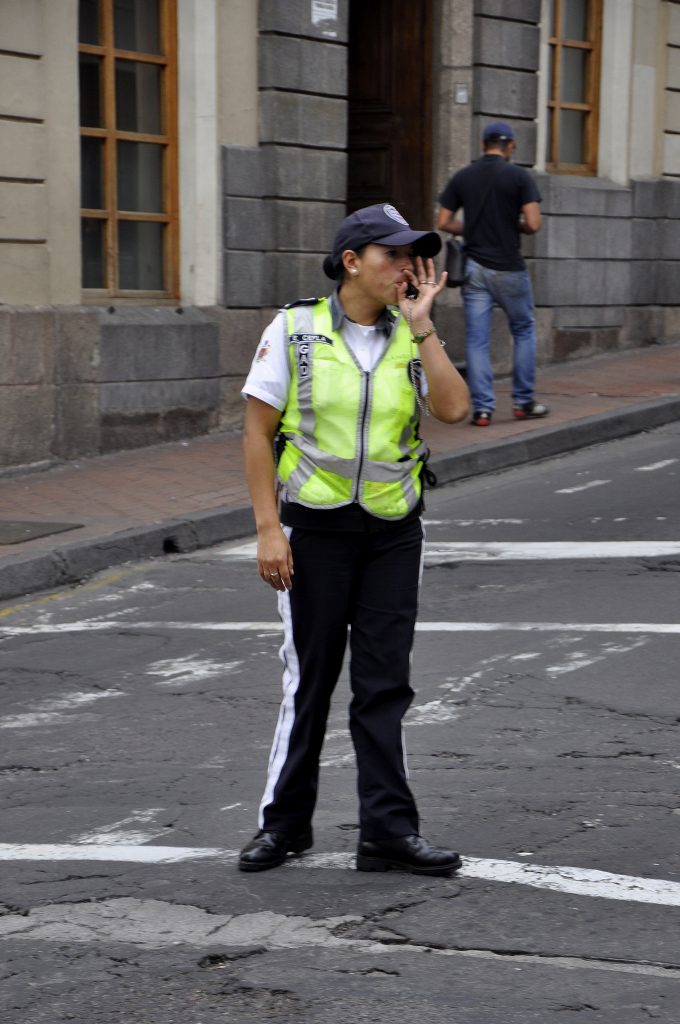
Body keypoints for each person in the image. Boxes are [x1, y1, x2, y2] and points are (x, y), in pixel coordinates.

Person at [238, 203, 470, 876]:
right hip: (313, 529)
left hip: (393, 529)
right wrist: (266, 531)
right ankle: (283, 827)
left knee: (383, 684)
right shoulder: (295, 329)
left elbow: (455, 409)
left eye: (412, 258)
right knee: (309, 680)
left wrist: (425, 327)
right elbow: (257, 432)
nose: (407, 268)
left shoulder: (408, 332)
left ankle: (388, 833)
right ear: (352, 262)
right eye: (393, 256)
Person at [437, 121, 549, 427]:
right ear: (509, 145)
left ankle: (483, 409)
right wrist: (516, 225)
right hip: (509, 268)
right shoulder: (519, 177)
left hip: (474, 268)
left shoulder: (464, 176)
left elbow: (444, 221)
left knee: (476, 340)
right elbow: (534, 224)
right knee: (523, 330)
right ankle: (523, 402)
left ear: (484, 145)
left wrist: (470, 228)